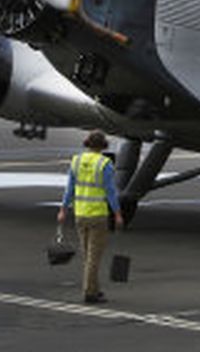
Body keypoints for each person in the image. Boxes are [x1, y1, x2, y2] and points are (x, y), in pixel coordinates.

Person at [57, 130, 124, 304]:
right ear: (103, 146)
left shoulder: (77, 161)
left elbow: (69, 188)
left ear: (87, 143)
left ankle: (95, 289)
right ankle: (89, 292)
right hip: (97, 216)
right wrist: (117, 214)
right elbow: (110, 192)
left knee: (88, 255)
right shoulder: (104, 164)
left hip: (80, 214)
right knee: (94, 257)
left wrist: (63, 209)